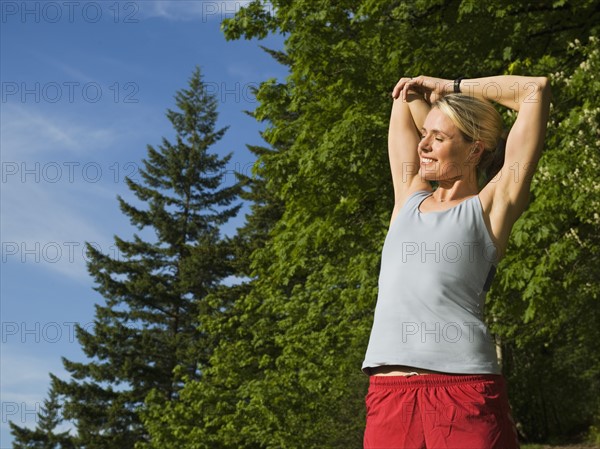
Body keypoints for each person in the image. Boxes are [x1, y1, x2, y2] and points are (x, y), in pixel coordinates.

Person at [362, 75, 551, 449]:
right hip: (389, 397)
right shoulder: (407, 197)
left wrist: (453, 87)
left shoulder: (491, 207)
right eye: (424, 133)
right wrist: (432, 105)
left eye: (439, 138)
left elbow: (535, 92)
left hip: (463, 393)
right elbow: (404, 95)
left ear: (474, 150)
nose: (424, 145)